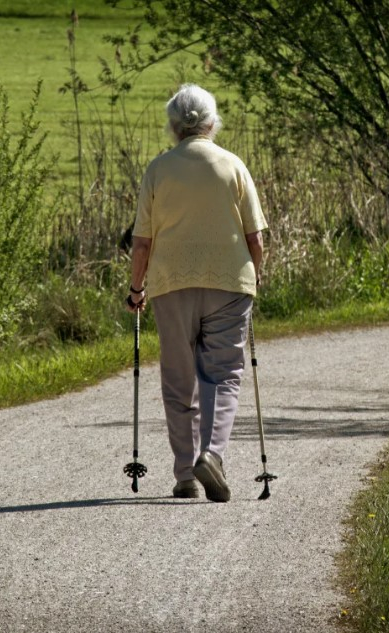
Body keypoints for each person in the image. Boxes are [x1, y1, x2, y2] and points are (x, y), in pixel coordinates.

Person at [125, 84, 267, 502]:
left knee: (178, 378)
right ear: (211, 122)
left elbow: (142, 244)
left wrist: (137, 289)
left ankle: (186, 473)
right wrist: (255, 278)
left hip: (171, 285)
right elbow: (255, 236)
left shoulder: (159, 169)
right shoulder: (232, 166)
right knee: (222, 374)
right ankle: (213, 455)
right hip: (229, 284)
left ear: (174, 126)